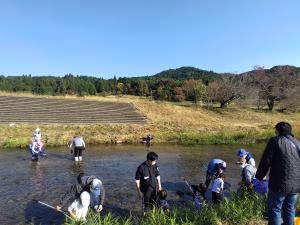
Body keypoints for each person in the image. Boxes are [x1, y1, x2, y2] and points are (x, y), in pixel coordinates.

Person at [256, 122, 300, 225]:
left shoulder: (275, 141)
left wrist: (259, 176)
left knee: (275, 209)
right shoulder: (297, 142)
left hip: (279, 183)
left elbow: (266, 160)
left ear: (277, 131)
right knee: (289, 209)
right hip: (296, 184)